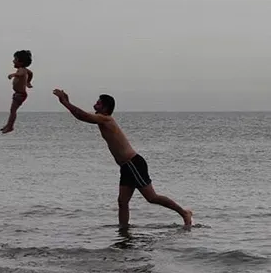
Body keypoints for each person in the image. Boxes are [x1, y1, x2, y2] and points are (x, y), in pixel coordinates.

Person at [52, 89, 192, 229]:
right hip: (126, 166)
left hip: (133, 164)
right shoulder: (102, 119)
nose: (95, 104)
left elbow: (82, 116)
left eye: (98, 103)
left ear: (105, 107)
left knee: (151, 197)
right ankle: (124, 230)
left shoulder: (105, 118)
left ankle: (184, 213)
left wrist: (65, 102)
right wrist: (67, 103)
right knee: (122, 202)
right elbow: (82, 115)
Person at [0, 50, 33, 133]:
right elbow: (31, 73)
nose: (13, 61)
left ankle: (10, 126)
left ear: (21, 62)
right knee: (12, 111)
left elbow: (20, 74)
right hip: (18, 94)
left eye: (15, 59)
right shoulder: (25, 70)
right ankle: (8, 125)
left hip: (20, 95)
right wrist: (28, 82)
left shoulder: (22, 70)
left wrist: (13, 75)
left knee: (13, 111)